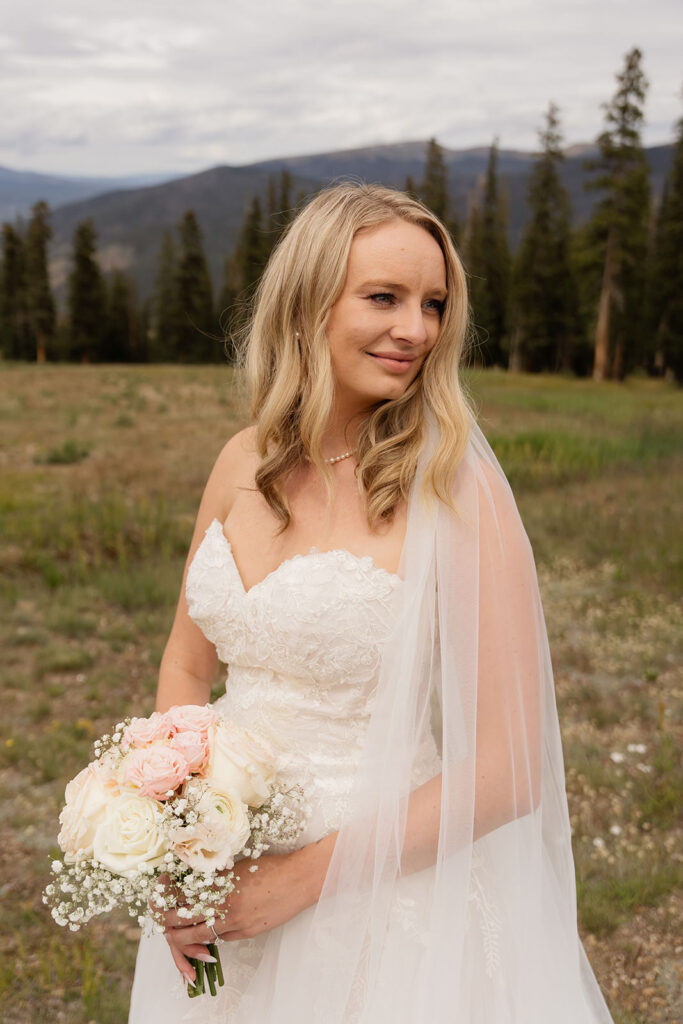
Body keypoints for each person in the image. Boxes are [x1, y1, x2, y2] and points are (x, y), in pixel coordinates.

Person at [129, 183, 614, 1023]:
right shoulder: (240, 461)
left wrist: (297, 881)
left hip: (384, 898)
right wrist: (182, 830)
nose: (416, 330)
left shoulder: (454, 491)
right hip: (225, 875)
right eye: (383, 298)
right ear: (305, 303)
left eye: (432, 304)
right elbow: (186, 657)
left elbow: (509, 771)